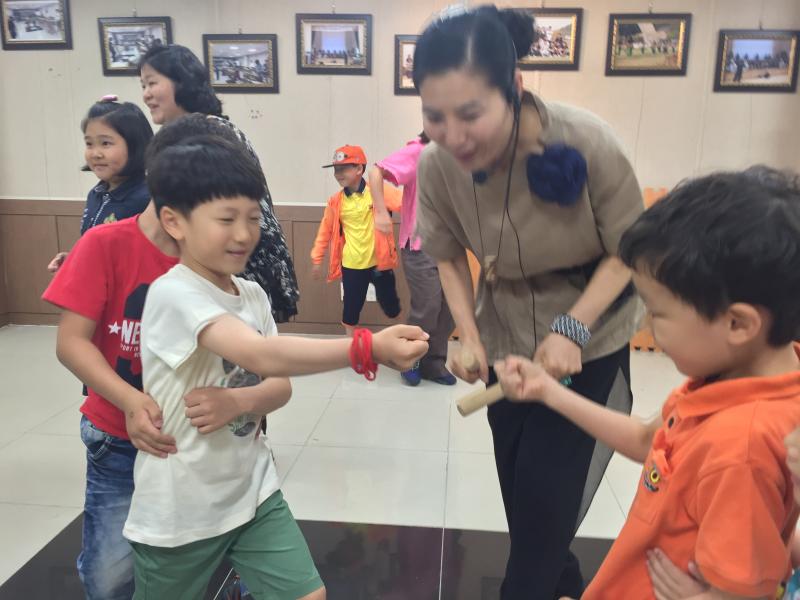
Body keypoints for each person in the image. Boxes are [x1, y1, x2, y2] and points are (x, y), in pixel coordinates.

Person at [124, 133, 428, 599]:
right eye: (226, 219)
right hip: (179, 510)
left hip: (252, 493)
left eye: (252, 217)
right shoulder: (173, 293)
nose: (244, 234)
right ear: (175, 221)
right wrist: (367, 348)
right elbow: (260, 356)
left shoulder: (252, 296)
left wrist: (238, 400)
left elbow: (278, 385)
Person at [412, 6, 643, 598]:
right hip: (508, 342)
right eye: (434, 116)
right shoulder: (437, 165)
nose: (453, 136)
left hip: (589, 341)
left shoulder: (586, 140)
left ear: (513, 88)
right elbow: (444, 252)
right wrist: (467, 333)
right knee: (526, 505)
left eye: (470, 114)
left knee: (542, 515)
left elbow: (630, 251)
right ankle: (562, 585)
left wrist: (573, 327)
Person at [496, 166, 800, 599]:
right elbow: (646, 439)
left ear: (738, 323)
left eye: (657, 314)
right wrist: (549, 392)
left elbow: (743, 590)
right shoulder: (732, 383)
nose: (648, 327)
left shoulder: (741, 446)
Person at [41, 114, 291, 600]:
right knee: (110, 570)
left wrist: (243, 404)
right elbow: (71, 342)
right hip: (119, 436)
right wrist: (132, 402)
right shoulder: (106, 244)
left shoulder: (226, 262)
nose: (239, 230)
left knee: (205, 556)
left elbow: (259, 364)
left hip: (202, 446)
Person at [138, 43, 299, 323]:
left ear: (182, 81)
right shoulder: (198, 130)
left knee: (239, 356)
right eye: (143, 85)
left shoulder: (204, 133)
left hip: (230, 269)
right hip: (222, 269)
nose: (146, 94)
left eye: (152, 83)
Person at [370, 133, 456, 386]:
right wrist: (380, 210)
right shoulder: (418, 152)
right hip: (419, 247)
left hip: (450, 248)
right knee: (428, 307)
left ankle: (433, 363)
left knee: (450, 310)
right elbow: (376, 172)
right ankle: (409, 359)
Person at [47, 97, 153, 272]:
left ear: (135, 145)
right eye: (89, 143)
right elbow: (99, 248)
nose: (95, 153)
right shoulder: (96, 193)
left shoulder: (146, 198)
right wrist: (74, 258)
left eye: (105, 143)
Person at [311, 145, 402, 336]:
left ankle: (402, 337)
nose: (338, 174)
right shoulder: (336, 202)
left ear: (359, 169)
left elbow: (405, 203)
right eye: (336, 169)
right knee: (351, 310)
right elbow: (324, 231)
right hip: (352, 265)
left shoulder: (378, 192)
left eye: (343, 169)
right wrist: (317, 259)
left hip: (380, 264)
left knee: (392, 308)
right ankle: (351, 349)